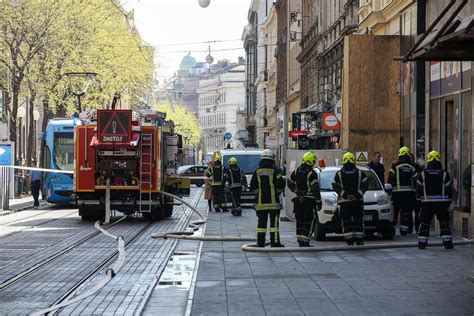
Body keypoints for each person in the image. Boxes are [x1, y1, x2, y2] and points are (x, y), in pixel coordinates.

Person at [416, 150, 453, 249]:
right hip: (442, 203)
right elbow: (449, 188)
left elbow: (418, 188)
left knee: (424, 223)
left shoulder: (423, 174)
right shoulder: (444, 174)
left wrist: (419, 200)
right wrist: (449, 200)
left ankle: (422, 243)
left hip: (427, 203)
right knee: (444, 223)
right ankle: (447, 243)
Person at [250, 149, 285, 247]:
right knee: (274, 225)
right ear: (272, 159)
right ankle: (275, 242)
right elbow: (281, 185)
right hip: (274, 204)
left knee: (261, 224)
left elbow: (253, 186)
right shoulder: (275, 171)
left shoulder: (257, 171)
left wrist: (258, 195)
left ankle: (260, 242)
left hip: (261, 204)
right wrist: (277, 192)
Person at [332, 152, 368, 245]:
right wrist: (357, 195)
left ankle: (349, 240)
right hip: (357, 202)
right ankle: (359, 240)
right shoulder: (360, 172)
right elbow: (365, 184)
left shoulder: (339, 173)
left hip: (344, 202)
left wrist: (345, 195)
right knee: (358, 220)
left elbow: (335, 185)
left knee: (346, 221)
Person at [287, 151, 322, 247]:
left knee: (300, 220)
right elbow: (315, 188)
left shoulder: (297, 170)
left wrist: (296, 191)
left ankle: (300, 240)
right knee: (309, 220)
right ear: (312, 161)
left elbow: (289, 182)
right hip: (309, 201)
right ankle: (305, 241)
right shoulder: (312, 173)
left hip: (298, 200)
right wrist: (319, 202)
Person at [388, 146, 418, 235]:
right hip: (409, 195)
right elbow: (417, 182)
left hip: (396, 195)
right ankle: (405, 230)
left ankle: (392, 230)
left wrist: (388, 193)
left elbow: (389, 181)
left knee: (395, 213)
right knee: (406, 213)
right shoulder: (413, 168)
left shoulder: (394, 167)